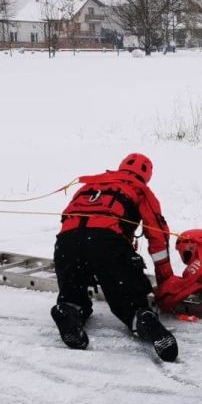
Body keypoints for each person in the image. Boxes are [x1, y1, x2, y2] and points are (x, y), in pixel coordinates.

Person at [49, 153, 179, 362]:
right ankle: (143, 318)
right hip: (107, 243)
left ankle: (68, 309)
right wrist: (165, 280)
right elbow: (158, 236)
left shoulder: (90, 184)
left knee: (73, 294)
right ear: (147, 175)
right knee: (129, 301)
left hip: (66, 243)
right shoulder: (141, 190)